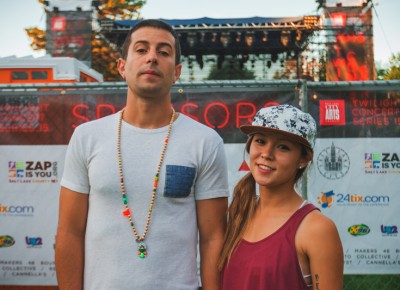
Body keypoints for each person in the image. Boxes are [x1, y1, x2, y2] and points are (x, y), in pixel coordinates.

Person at [55, 19, 229, 290]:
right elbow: (69, 232)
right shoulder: (87, 137)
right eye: (141, 49)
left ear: (177, 71)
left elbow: (213, 239)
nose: (152, 58)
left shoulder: (205, 142)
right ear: (122, 67)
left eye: (163, 51)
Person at [219, 104, 343, 290]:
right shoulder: (239, 213)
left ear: (303, 159)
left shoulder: (317, 229)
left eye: (283, 147)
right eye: (260, 141)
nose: (266, 154)